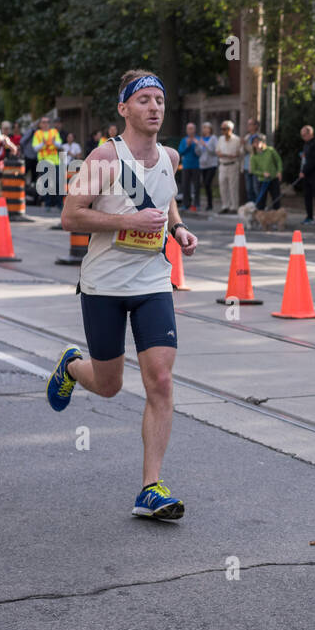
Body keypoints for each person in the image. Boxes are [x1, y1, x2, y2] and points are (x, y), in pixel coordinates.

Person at [48, 68, 198, 519]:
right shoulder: (104, 160)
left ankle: (151, 487)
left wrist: (177, 227)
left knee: (161, 381)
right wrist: (127, 222)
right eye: (144, 100)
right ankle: (73, 365)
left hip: (153, 280)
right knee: (110, 386)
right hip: (105, 285)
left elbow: (164, 197)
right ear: (124, 109)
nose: (154, 108)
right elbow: (71, 216)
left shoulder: (170, 158)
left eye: (159, 100)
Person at [297, 124, 315, 225]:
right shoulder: (306, 144)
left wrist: (304, 171)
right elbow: (305, 159)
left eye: (304, 135)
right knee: (307, 196)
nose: (303, 137)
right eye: (302, 135)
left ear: (310, 133)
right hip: (306, 176)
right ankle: (309, 216)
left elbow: (314, 161)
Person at [215, 120, 244, 212]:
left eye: (225, 129)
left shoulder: (237, 139)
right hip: (223, 165)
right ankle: (225, 206)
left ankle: (234, 207)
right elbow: (218, 152)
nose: (223, 131)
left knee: (233, 186)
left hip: (233, 165)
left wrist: (228, 155)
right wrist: (228, 155)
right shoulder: (220, 139)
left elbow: (239, 153)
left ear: (230, 129)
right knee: (223, 186)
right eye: (222, 129)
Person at [250, 134, 283, 210]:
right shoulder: (254, 156)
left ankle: (277, 216)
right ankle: (261, 218)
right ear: (252, 144)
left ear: (262, 142)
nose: (257, 143)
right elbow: (253, 170)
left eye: (258, 141)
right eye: (255, 142)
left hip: (273, 178)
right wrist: (262, 174)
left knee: (276, 199)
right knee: (261, 200)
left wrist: (279, 171)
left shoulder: (270, 150)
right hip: (262, 180)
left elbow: (278, 161)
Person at [177, 122, 200, 211]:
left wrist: (197, 144)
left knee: (196, 186)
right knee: (185, 186)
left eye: (192, 128)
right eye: (188, 129)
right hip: (186, 165)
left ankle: (196, 204)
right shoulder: (184, 140)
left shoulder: (198, 139)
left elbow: (200, 153)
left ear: (195, 130)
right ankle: (186, 204)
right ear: (186, 130)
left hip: (196, 165)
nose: (190, 130)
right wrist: (187, 145)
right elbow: (180, 151)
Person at [197, 122, 217, 211]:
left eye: (206, 127)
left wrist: (205, 145)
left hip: (212, 164)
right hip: (203, 165)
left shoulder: (213, 138)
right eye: (203, 127)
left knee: (207, 183)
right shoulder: (201, 138)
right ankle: (209, 204)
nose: (205, 129)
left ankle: (210, 204)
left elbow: (214, 151)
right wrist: (198, 145)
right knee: (205, 185)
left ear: (210, 129)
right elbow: (198, 152)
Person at [242, 117, 262, 206]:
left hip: (255, 167)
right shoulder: (246, 137)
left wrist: (245, 145)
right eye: (248, 124)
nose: (248, 126)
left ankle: (259, 207)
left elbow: (255, 150)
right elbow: (242, 152)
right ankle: (252, 208)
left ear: (256, 126)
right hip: (246, 166)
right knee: (249, 189)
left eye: (250, 124)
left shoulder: (260, 137)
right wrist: (242, 146)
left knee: (256, 188)